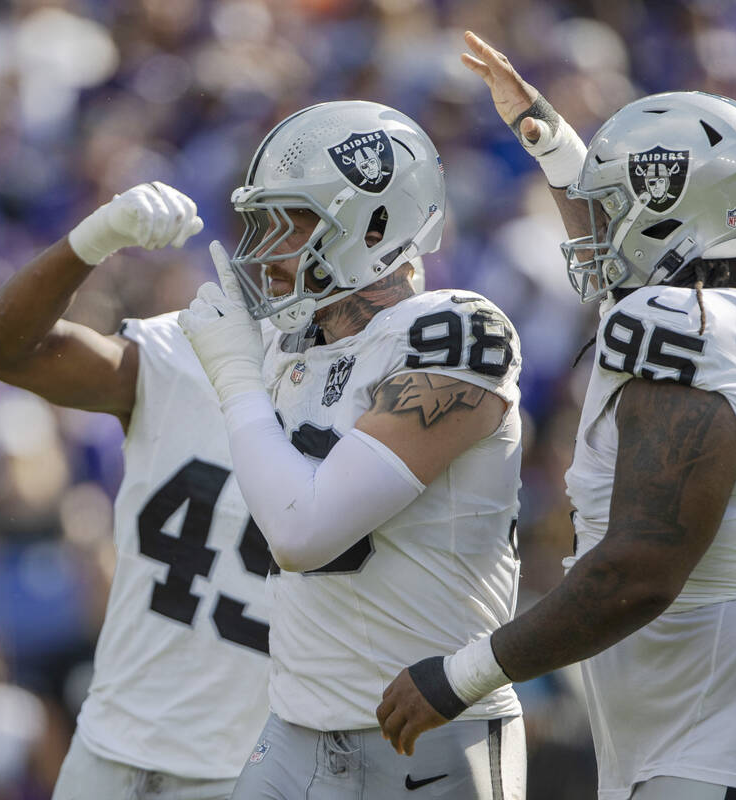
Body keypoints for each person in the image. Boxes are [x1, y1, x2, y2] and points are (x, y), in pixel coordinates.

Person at [376, 33, 736, 800]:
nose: (597, 227)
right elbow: (647, 254)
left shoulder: (676, 330)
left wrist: (464, 675)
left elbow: (639, 570)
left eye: (619, 203)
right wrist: (553, 141)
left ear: (674, 213)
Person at [177, 100, 527, 799]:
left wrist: (239, 380)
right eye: (261, 223)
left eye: (293, 221)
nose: (267, 247)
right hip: (294, 726)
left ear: (375, 223)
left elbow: (304, 532)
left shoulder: (454, 332)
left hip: (429, 734)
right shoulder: (289, 345)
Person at [0, 182, 273, 799]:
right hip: (108, 748)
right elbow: (2, 348)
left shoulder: (378, 402)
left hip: (244, 770)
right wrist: (91, 240)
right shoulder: (183, 353)